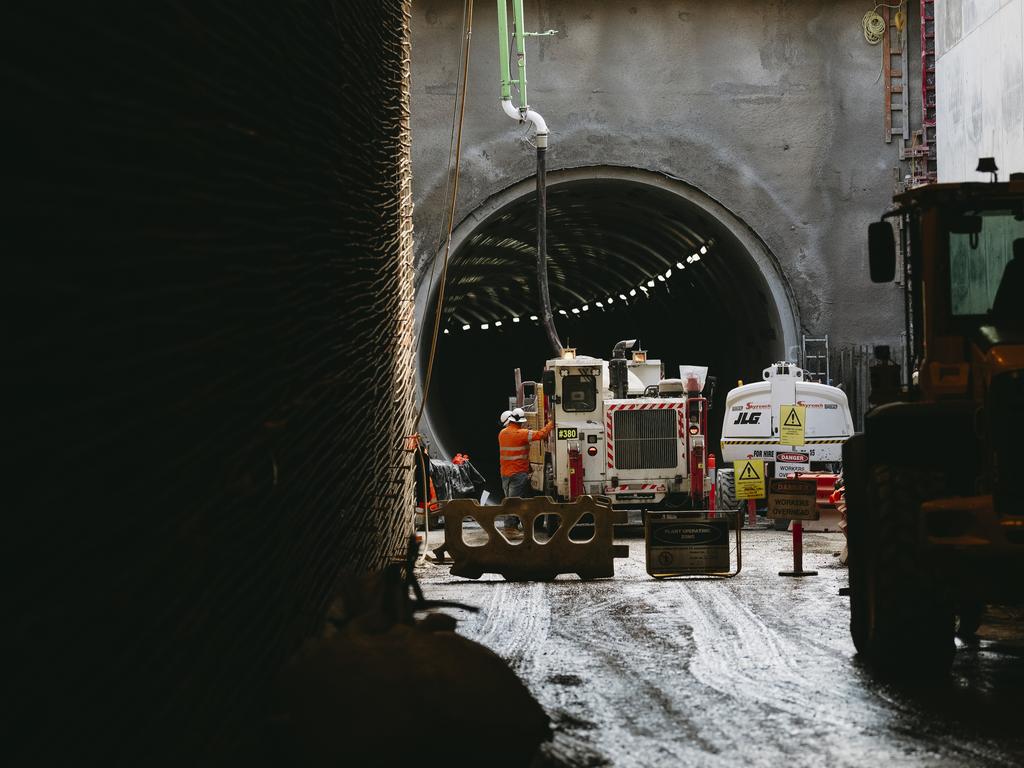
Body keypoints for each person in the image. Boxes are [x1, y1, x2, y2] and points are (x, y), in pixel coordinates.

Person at [498, 407, 554, 518]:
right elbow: (541, 435)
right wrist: (551, 423)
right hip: (518, 473)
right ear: (520, 422)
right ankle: (510, 527)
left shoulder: (502, 433)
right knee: (513, 502)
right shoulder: (523, 433)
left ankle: (512, 525)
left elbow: (515, 439)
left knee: (509, 500)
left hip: (505, 473)